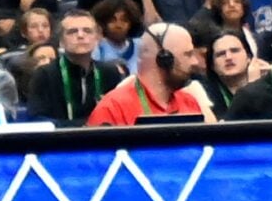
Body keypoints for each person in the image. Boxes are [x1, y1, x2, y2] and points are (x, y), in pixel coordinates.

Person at [86, 22, 214, 125]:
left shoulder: (189, 101)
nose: (195, 62)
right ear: (164, 59)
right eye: (187, 54)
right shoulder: (113, 108)